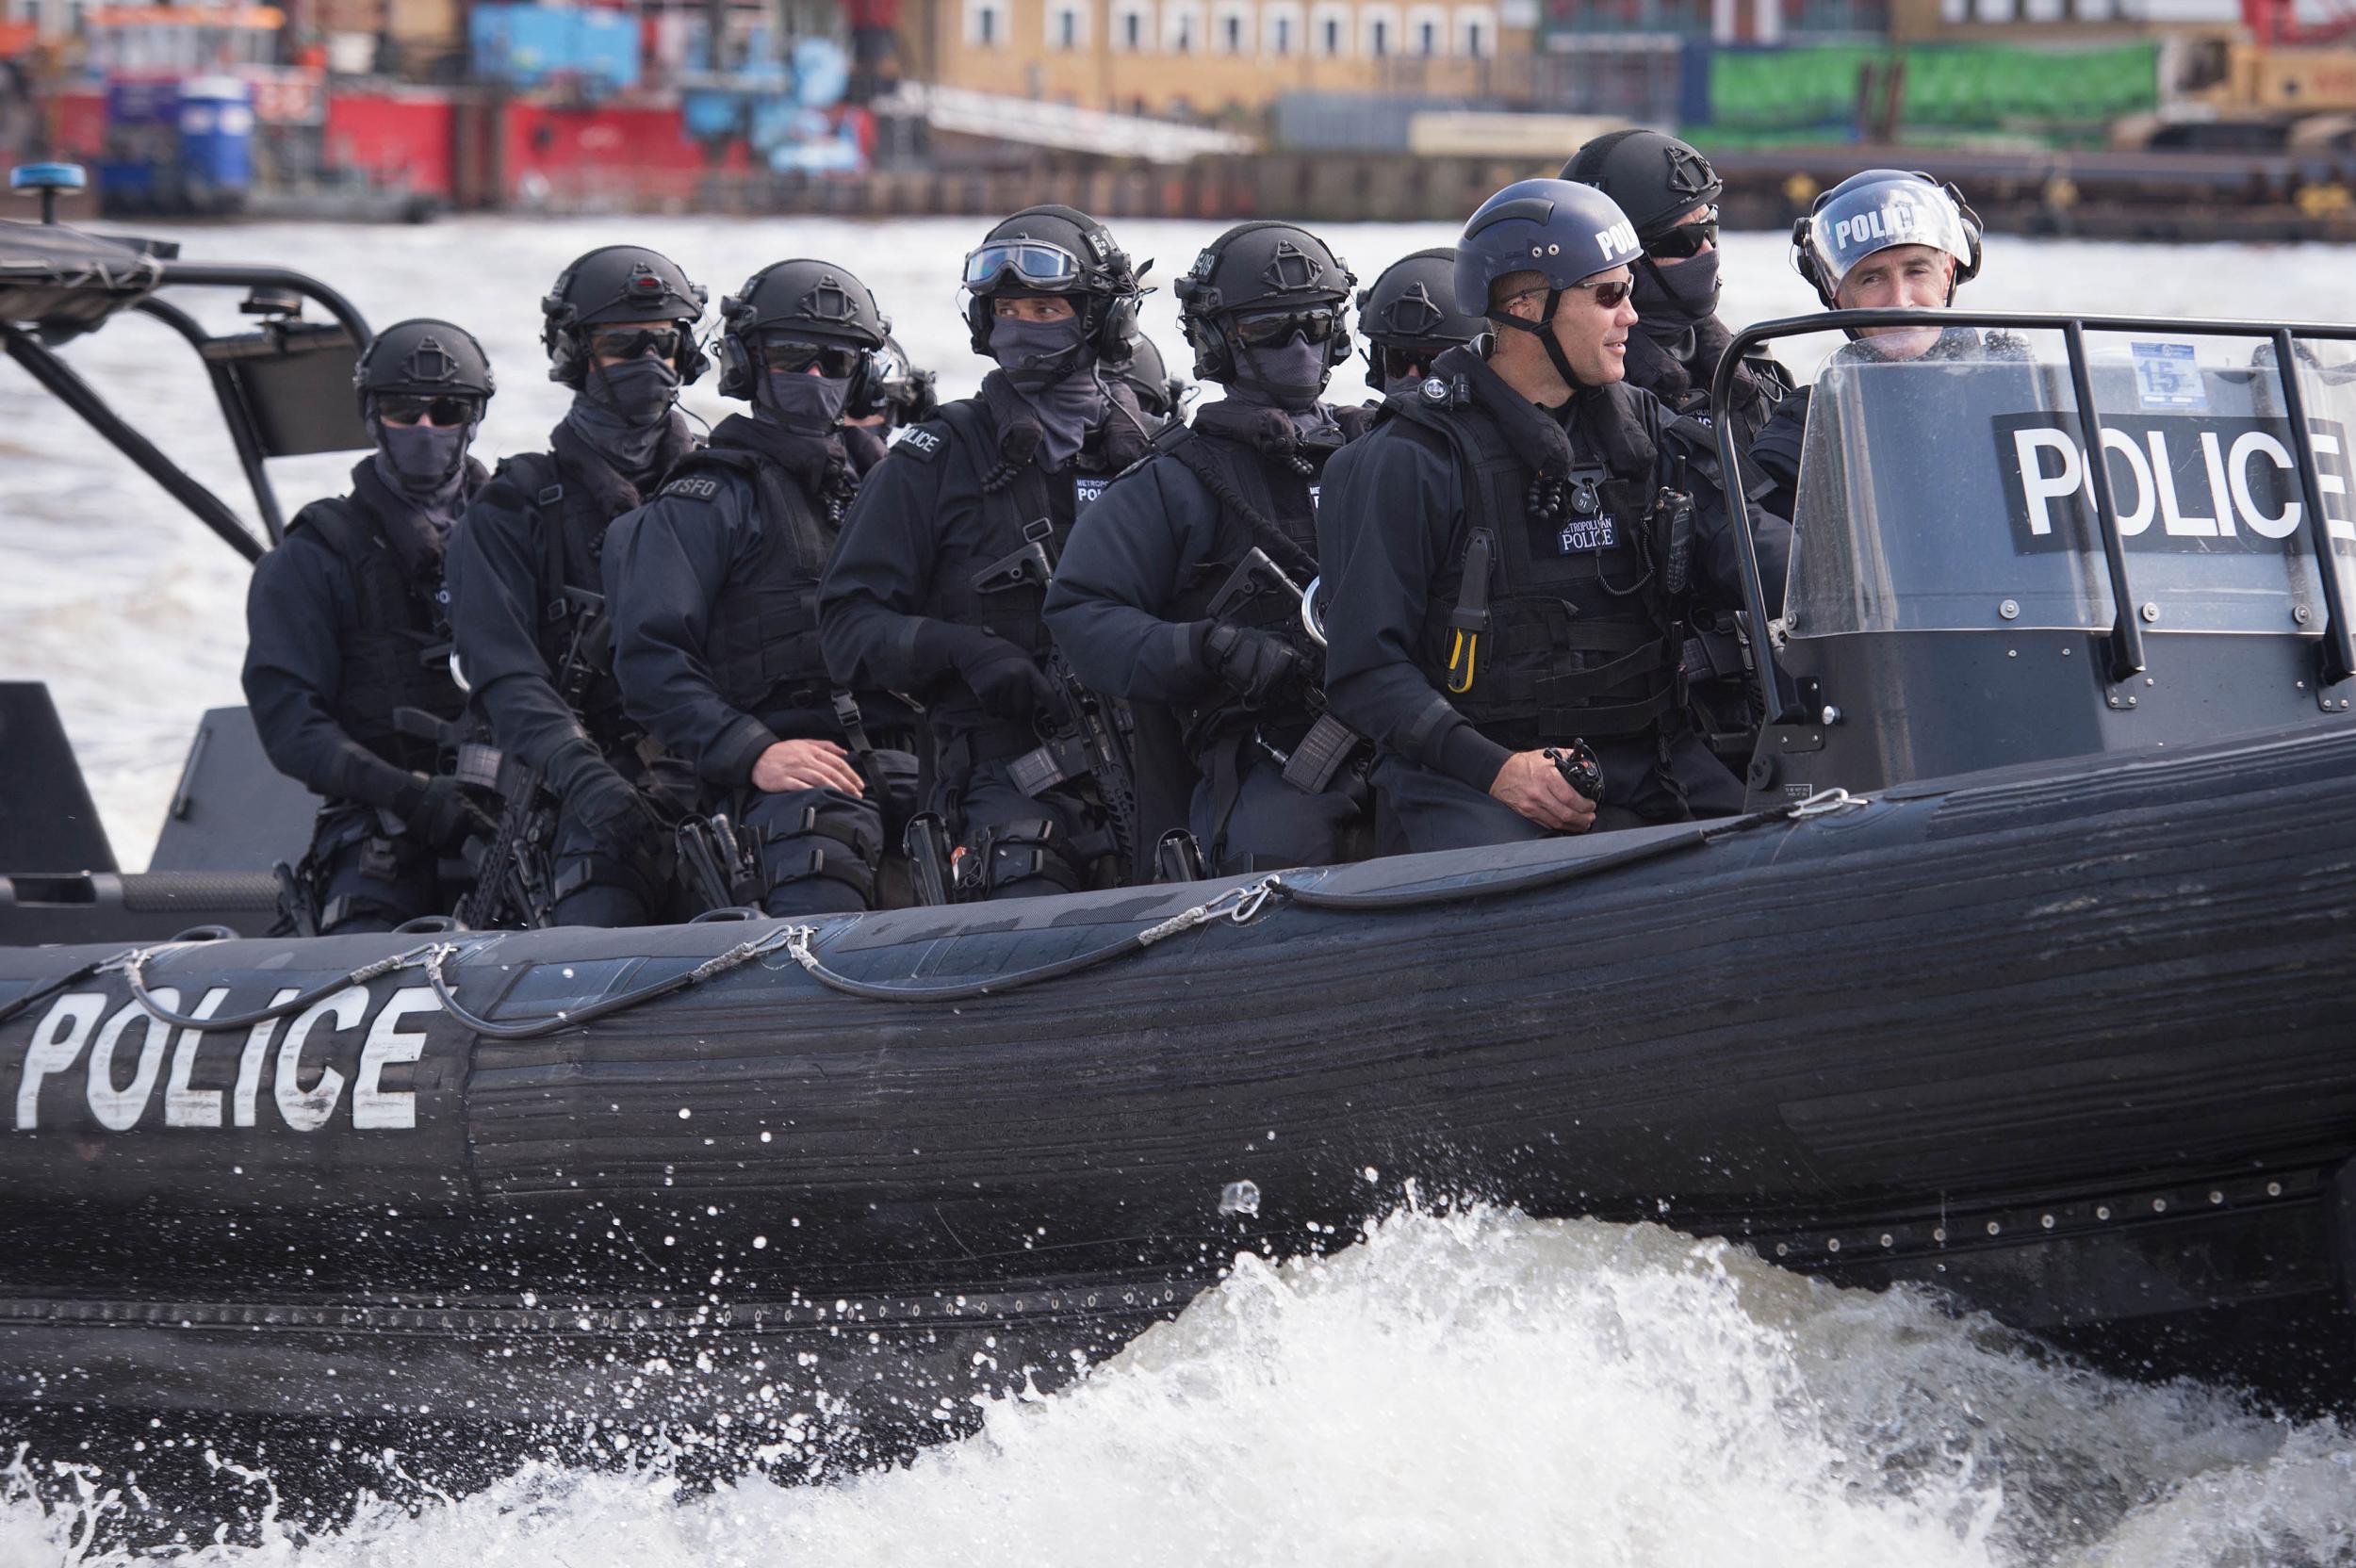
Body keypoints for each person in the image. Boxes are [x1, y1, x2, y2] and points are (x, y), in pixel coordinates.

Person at [1321, 178, 1791, 853]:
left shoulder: (1646, 430)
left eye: (1629, 290)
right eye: (1610, 295)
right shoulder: (1410, 459)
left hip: (1647, 760)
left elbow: (1748, 546)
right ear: (1525, 306)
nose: (1631, 316)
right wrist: (1498, 770)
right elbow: (1366, 672)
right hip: (1474, 777)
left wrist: (1851, 583)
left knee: (1772, 855)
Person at [819, 204, 1156, 900]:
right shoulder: (933, 459)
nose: (1022, 327)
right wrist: (960, 651)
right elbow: (848, 629)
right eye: (1007, 308)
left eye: (1045, 306)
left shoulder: (1156, 453)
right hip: (1004, 773)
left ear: (1102, 318)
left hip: (1152, 754)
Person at [1045, 221, 1370, 874]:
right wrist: (1206, 648)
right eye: (1269, 329)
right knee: (1281, 842)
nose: (1300, 345)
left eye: (1313, 324)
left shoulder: (1381, 452)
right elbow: (1080, 615)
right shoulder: (1174, 482)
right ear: (1216, 342)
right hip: (1264, 750)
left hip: (1402, 728)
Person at [604, 260, 917, 918]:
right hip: (778, 775)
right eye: (791, 356)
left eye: (834, 361)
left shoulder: (894, 492)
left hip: (905, 760)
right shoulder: (709, 498)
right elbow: (651, 659)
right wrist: (750, 751)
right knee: (819, 852)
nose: (812, 377)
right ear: (747, 364)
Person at [445, 245, 709, 926]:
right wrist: (580, 771)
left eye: (664, 344)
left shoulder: (725, 490)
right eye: (623, 345)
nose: (650, 364)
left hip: (715, 770)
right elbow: (503, 673)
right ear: (575, 353)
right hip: (578, 789)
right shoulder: (516, 506)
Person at [243, 319, 497, 933]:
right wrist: (408, 794)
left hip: (516, 815)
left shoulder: (522, 534)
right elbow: (291, 727)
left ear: (473, 418)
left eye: (446, 410)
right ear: (371, 414)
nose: (426, 428)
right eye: (403, 410)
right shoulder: (313, 557)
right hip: (381, 823)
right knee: (361, 942)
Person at [1749, 170, 1994, 521]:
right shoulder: (1800, 441)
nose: (1900, 300)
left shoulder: (2018, 393)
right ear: (1836, 296)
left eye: (1916, 271)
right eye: (1872, 278)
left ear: (1947, 273)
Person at [1562, 129, 1790, 443]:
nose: (1708, 251)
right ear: (1619, 264)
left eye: (1710, 229)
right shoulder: (1572, 399)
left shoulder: (1760, 374)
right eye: (1684, 241)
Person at [1355, 247, 1484, 401]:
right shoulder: (1353, 424)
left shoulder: (1511, 423)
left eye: (1432, 365)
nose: (1412, 376)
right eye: (1397, 362)